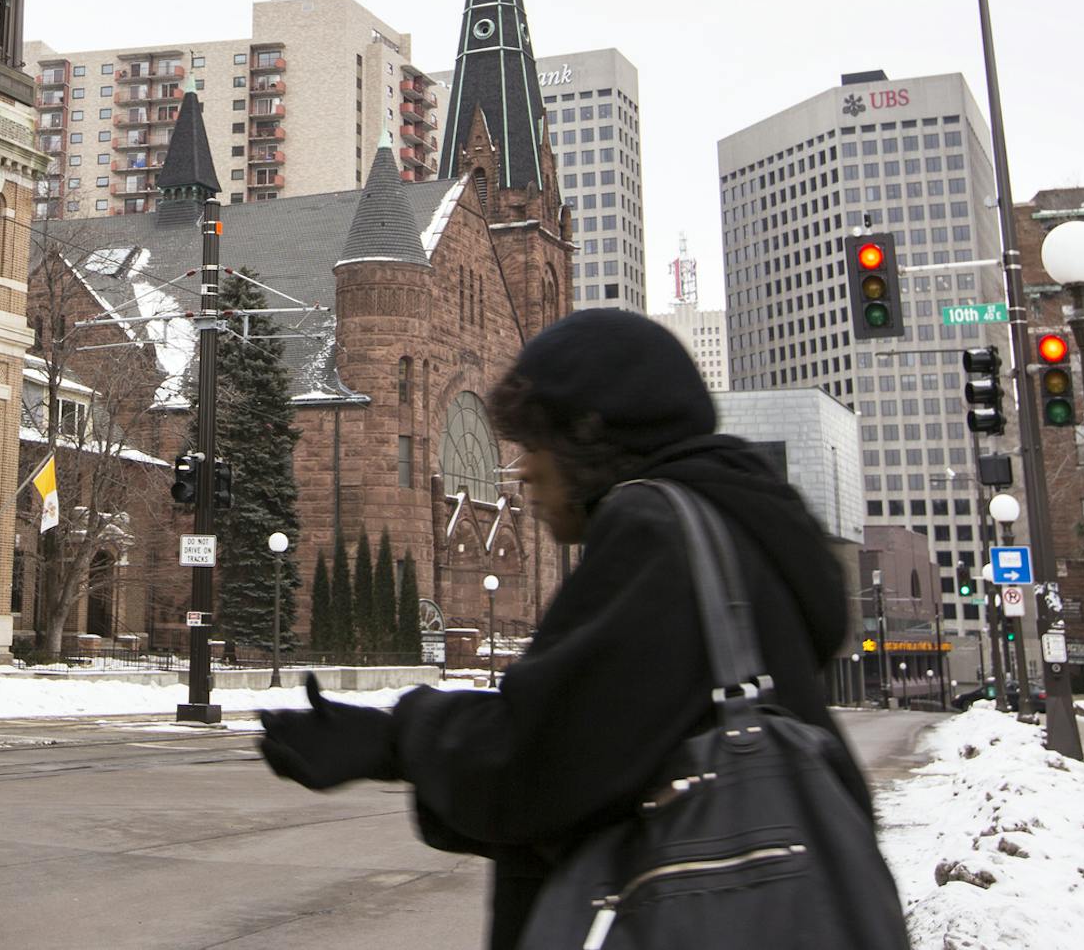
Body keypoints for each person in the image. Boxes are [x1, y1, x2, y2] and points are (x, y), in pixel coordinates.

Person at [257, 310, 866, 950]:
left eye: (534, 444)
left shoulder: (654, 528)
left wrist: (391, 737)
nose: (521, 470)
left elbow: (541, 762)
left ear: (589, 434)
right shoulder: (740, 526)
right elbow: (608, 767)